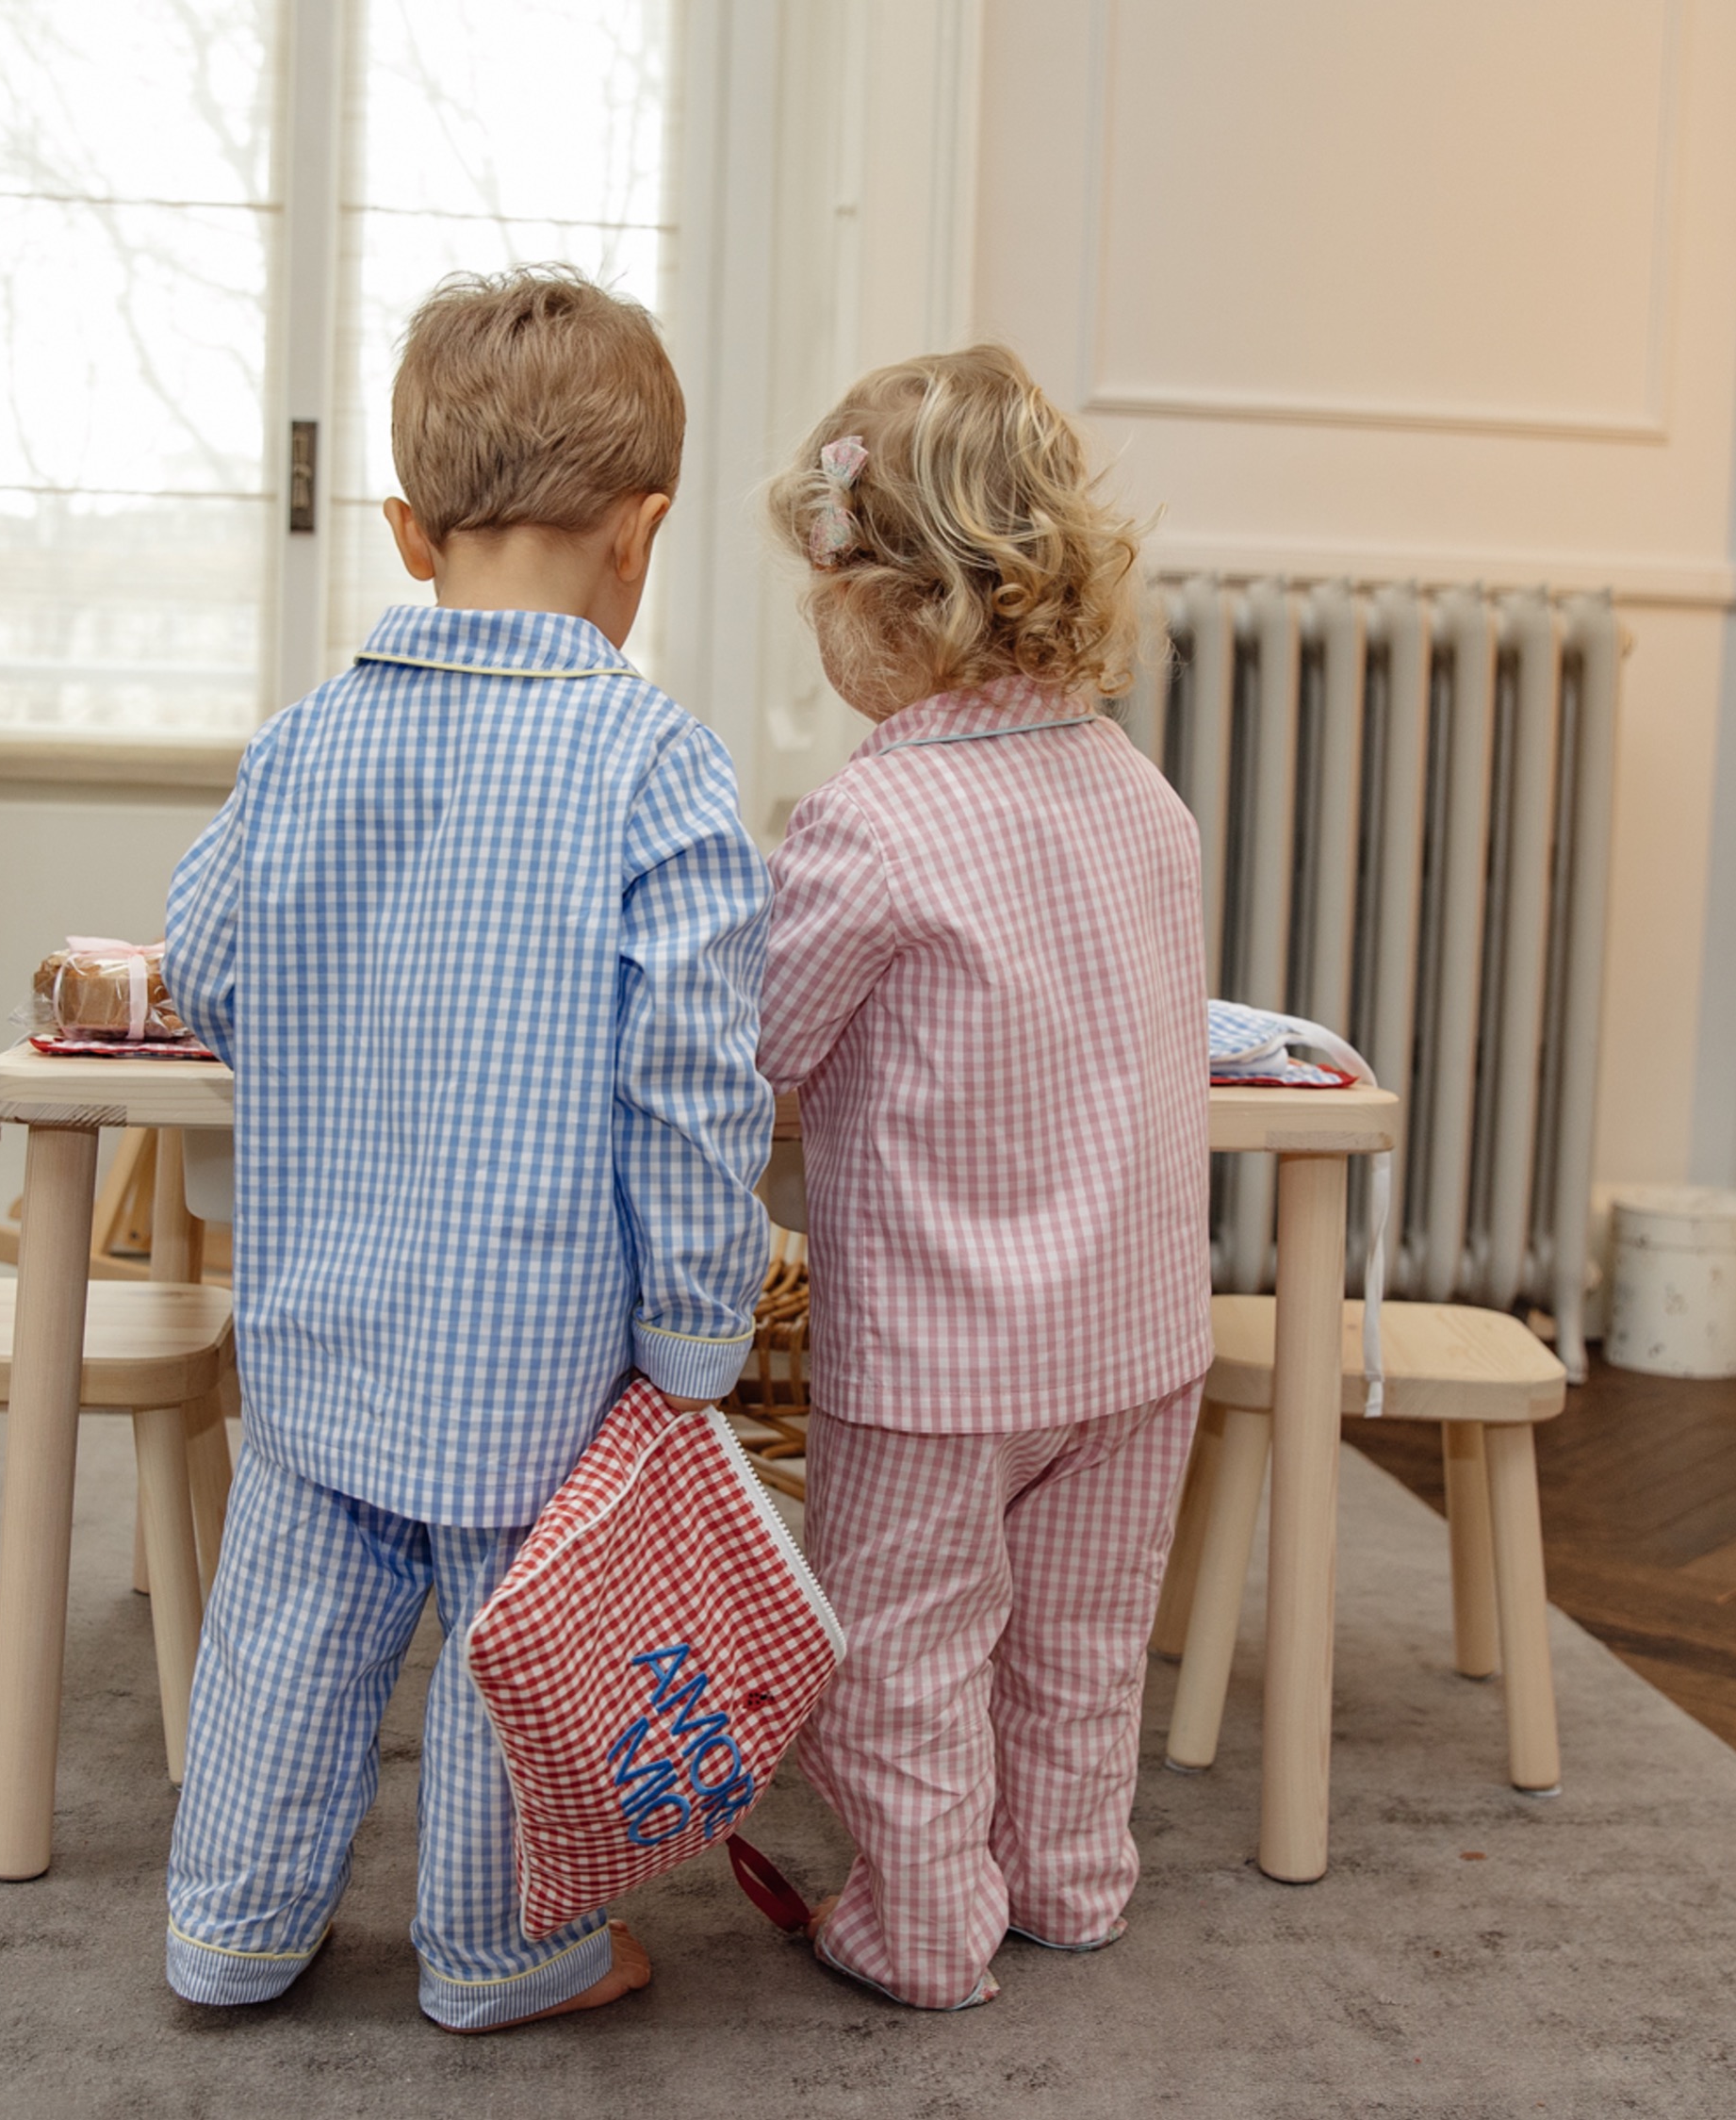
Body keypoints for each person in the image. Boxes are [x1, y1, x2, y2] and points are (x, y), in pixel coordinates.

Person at [158, 268, 774, 2031]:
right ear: (640, 537)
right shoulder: (655, 768)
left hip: (315, 1329)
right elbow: (696, 1086)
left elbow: (206, 965)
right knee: (523, 1663)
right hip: (535, 1361)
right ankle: (506, 1954)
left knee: (280, 1636)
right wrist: (696, 1336)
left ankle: (231, 1930)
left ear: (406, 529)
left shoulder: (301, 745)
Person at [755, 345, 1212, 2011]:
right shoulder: (1142, 796)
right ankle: (1072, 1884)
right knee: (1082, 1644)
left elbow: (758, 1046)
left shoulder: (871, 824)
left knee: (901, 1654)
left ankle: (926, 1924)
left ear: (887, 605)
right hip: (1142, 1339)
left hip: (946, 1359)